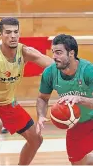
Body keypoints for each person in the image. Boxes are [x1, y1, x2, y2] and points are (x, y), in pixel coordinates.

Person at [0, 17, 54, 165]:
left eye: (16, 32)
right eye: (8, 32)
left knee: (36, 139)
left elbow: (53, 67)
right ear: (0, 35)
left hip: (9, 103)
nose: (13, 36)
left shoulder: (25, 52)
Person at [36, 34, 93, 165]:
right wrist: (40, 115)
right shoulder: (50, 73)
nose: (54, 57)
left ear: (71, 53)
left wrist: (79, 99)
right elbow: (42, 98)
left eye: (59, 52)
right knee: (78, 163)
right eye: (53, 52)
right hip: (77, 124)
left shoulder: (88, 71)